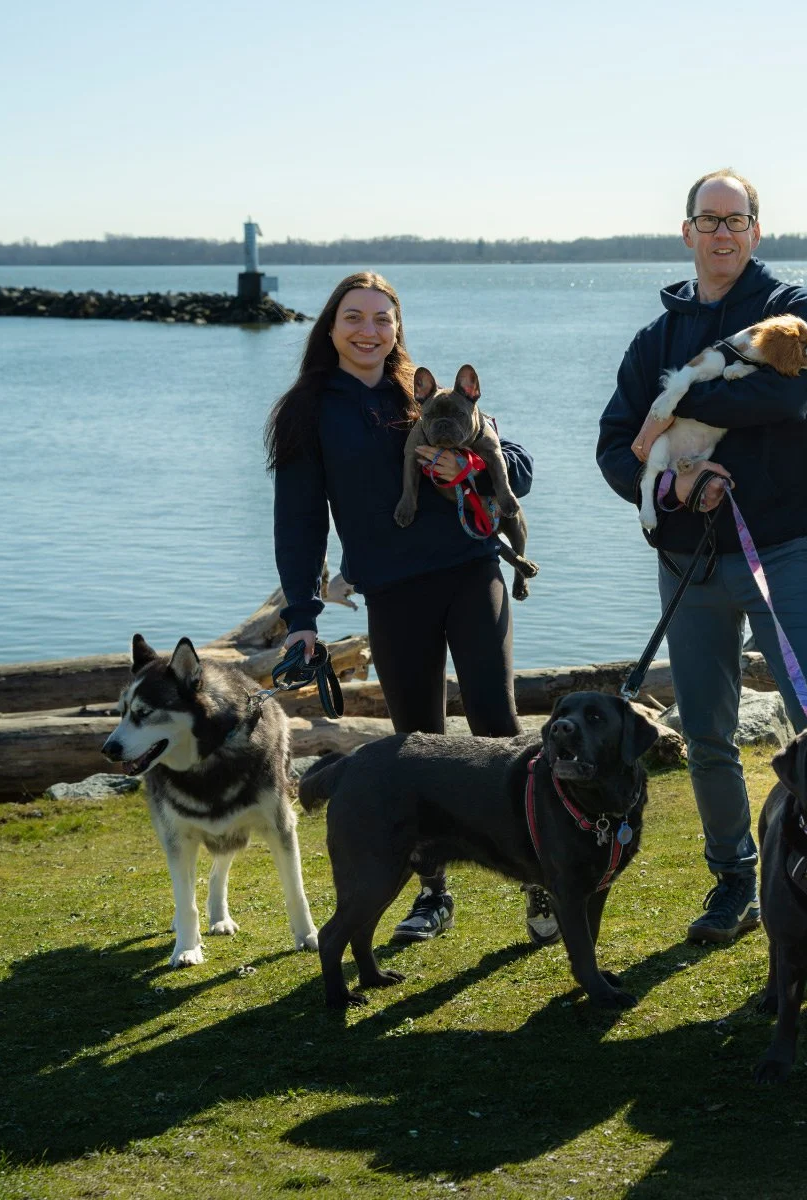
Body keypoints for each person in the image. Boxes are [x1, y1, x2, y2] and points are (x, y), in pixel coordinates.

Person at [595, 169, 807, 943]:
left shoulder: (793, 312)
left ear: (756, 231)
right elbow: (614, 445)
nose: (724, 233)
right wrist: (674, 488)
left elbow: (788, 397)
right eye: (710, 220)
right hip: (687, 563)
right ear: (688, 232)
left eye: (738, 221)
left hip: (783, 555)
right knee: (706, 733)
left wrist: (677, 406)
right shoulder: (655, 338)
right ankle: (737, 877)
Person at [267, 270, 539, 944]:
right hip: (391, 590)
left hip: (472, 570)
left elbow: (519, 466)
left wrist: (479, 467)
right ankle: (432, 893)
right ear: (330, 327)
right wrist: (302, 614)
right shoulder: (308, 410)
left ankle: (540, 880)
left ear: (398, 328)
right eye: (353, 317)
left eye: (382, 319)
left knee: (496, 721)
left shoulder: (426, 392)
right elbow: (298, 519)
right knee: (415, 741)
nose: (368, 331)